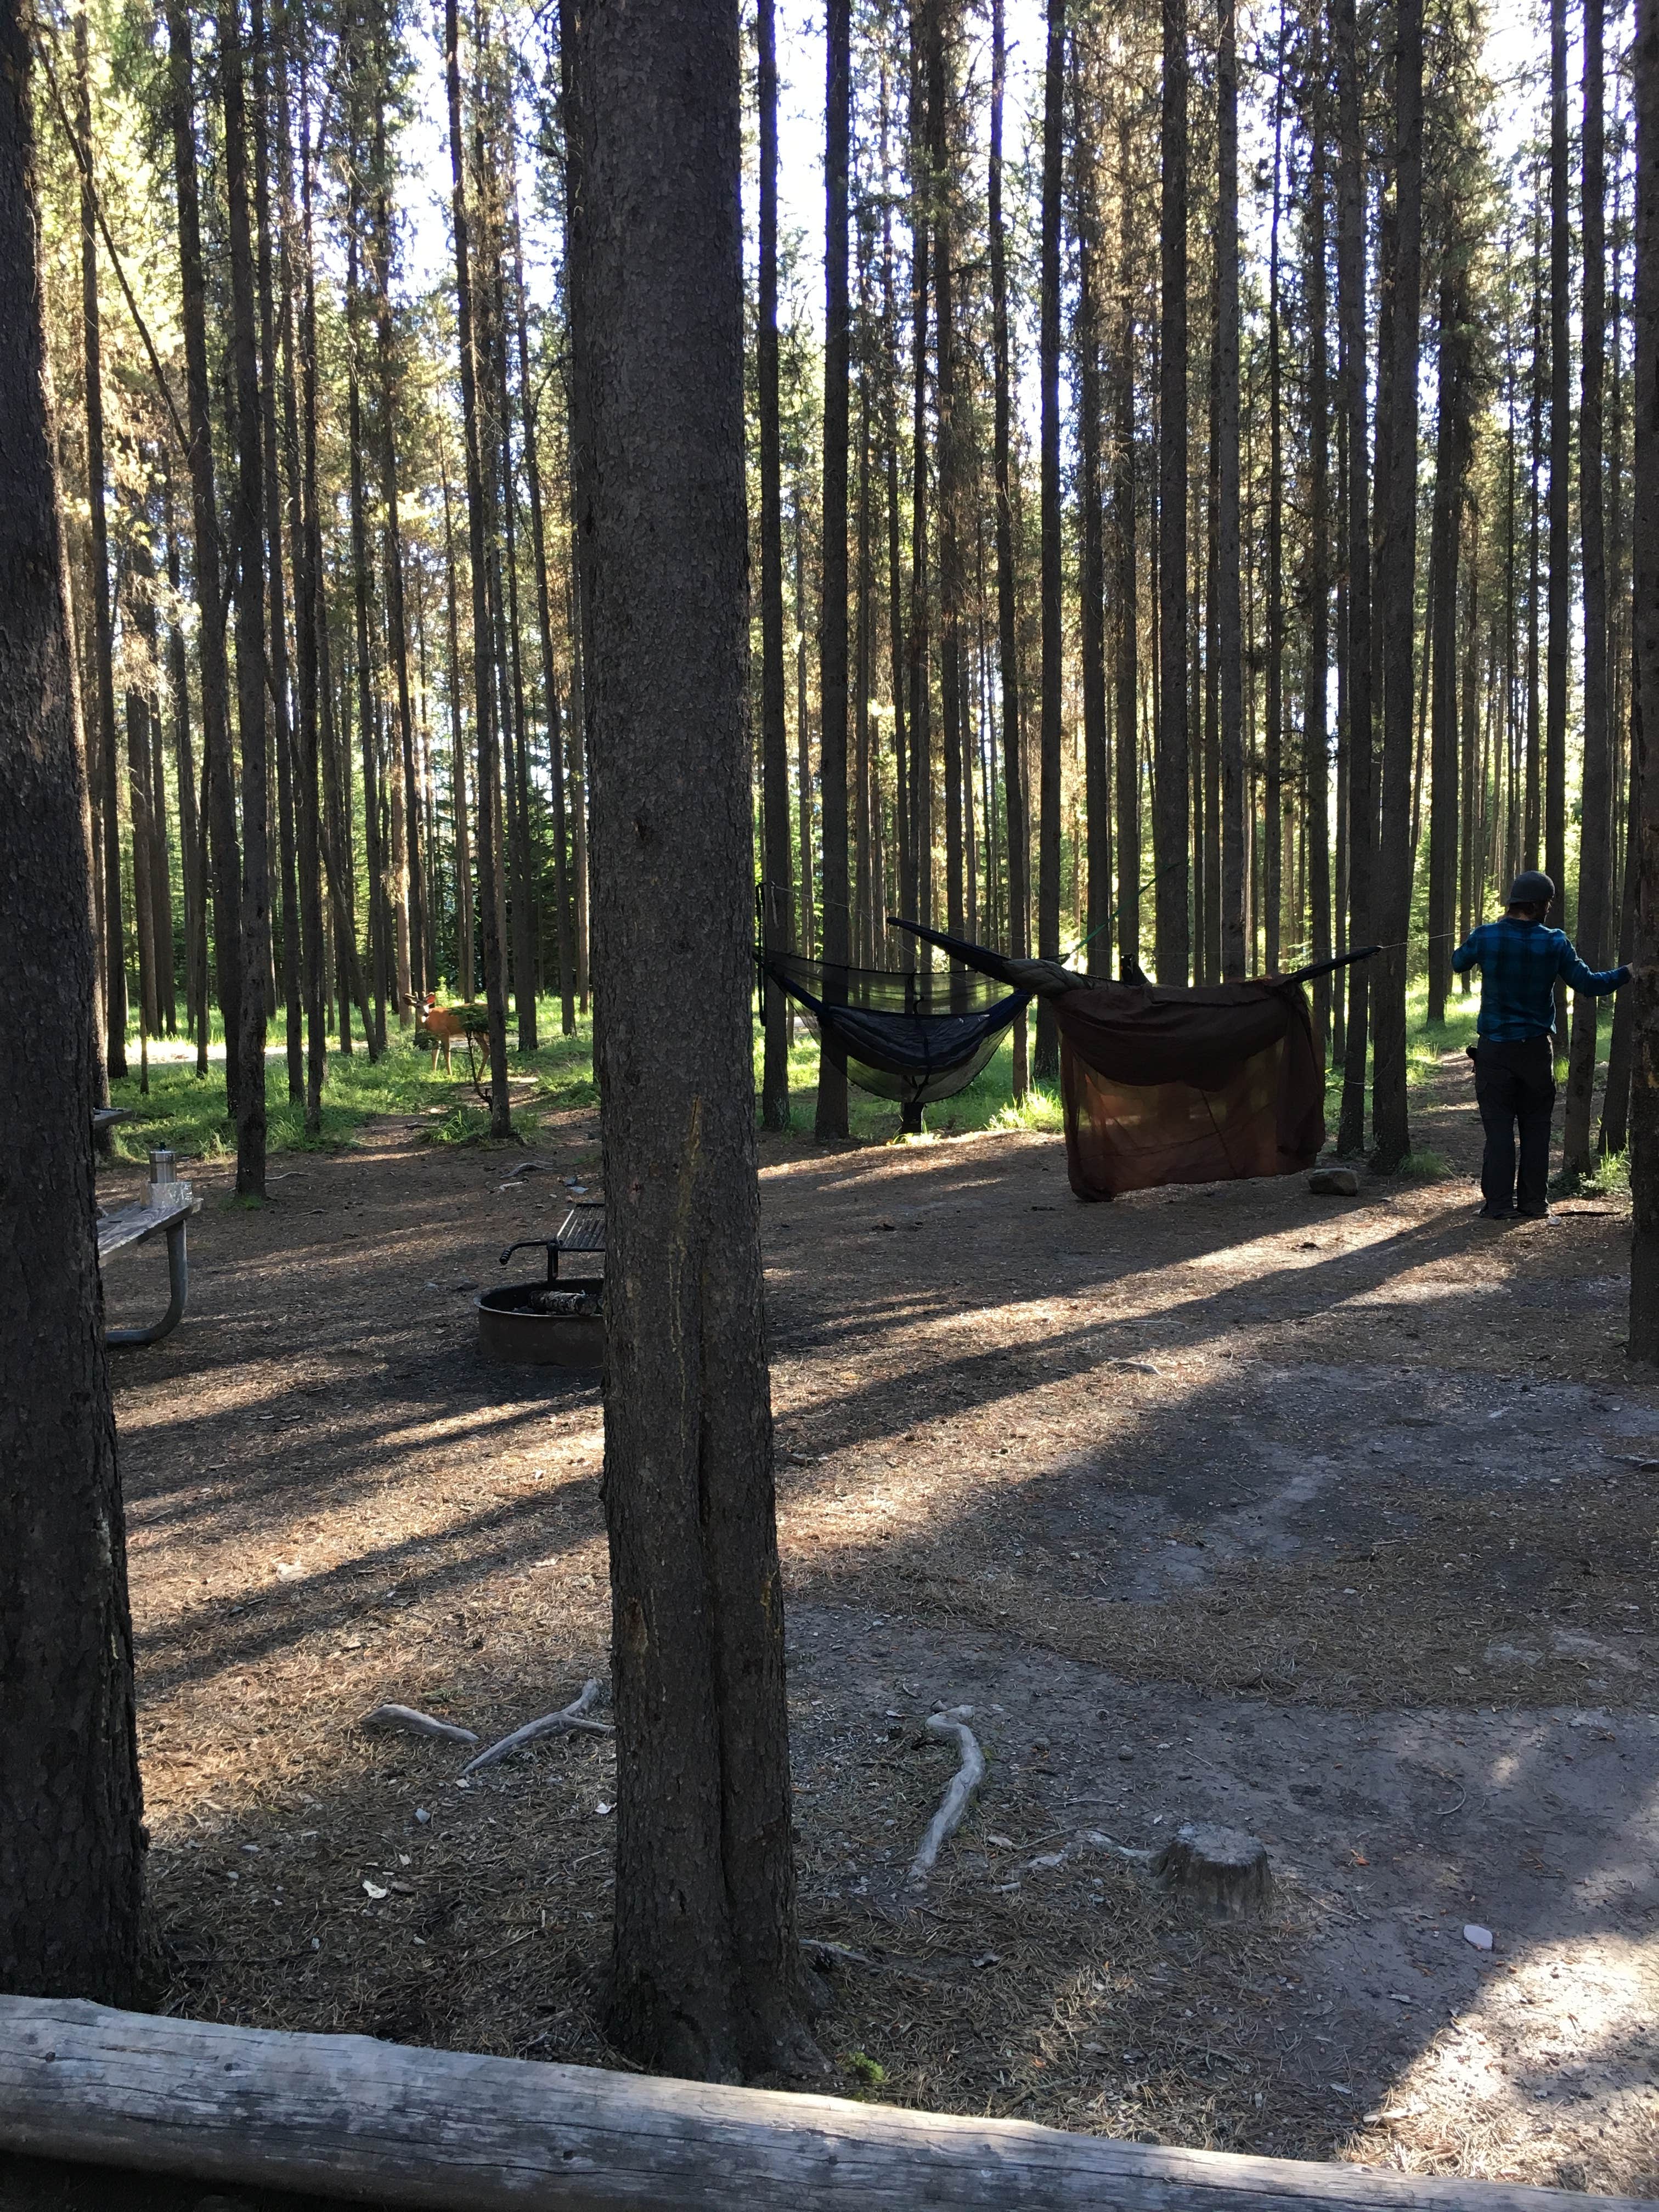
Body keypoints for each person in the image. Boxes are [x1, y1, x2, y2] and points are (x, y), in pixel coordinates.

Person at [1451, 870, 1628, 1222]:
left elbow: (1458, 963)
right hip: (1535, 1051)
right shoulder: (1555, 942)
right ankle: (1533, 1204)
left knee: (1499, 1128)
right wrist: (1629, 971)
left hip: (1495, 1051)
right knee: (1536, 1128)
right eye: (1548, 904)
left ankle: (1499, 1205)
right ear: (1536, 906)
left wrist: (1477, 938)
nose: (1549, 909)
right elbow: (1590, 985)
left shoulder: (1487, 935)